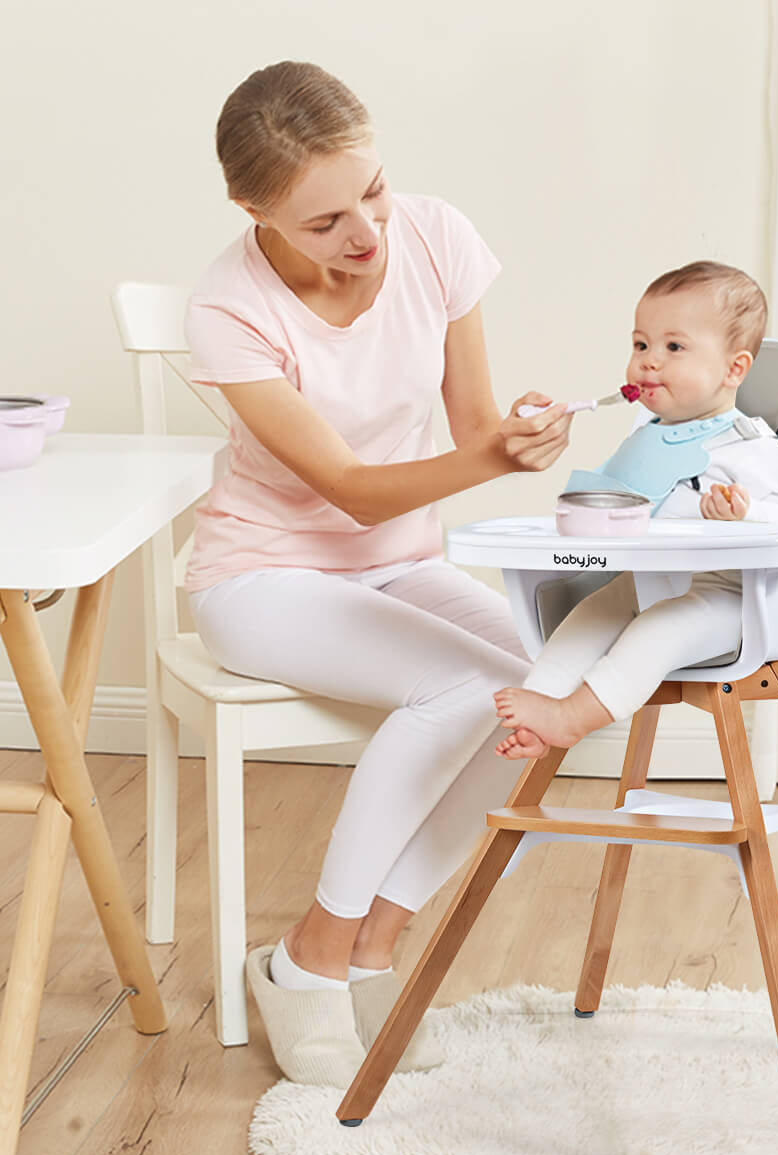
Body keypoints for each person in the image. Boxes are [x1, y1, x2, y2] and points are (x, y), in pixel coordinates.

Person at [183, 61, 574, 1086]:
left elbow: (476, 431)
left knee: (558, 695)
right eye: (323, 222)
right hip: (260, 577)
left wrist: (519, 438)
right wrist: (493, 459)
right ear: (251, 210)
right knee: (460, 688)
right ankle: (309, 958)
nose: (364, 233)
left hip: (397, 569)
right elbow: (352, 490)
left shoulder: (437, 236)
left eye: (373, 191)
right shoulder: (229, 310)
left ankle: (373, 943)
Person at [494, 261, 778, 759]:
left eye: (673, 347)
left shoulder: (751, 446)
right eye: (641, 345)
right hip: (648, 582)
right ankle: (542, 706)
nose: (648, 362)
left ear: (733, 369)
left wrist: (743, 516)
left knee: (658, 629)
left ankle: (571, 719)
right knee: (593, 612)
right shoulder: (646, 434)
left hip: (726, 599)